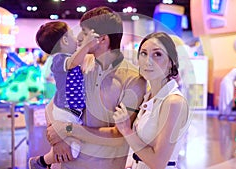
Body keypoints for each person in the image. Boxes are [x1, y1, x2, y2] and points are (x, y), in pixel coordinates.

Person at [46, 6, 147, 169]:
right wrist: (56, 137)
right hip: (68, 164)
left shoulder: (133, 79)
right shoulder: (83, 64)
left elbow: (119, 135)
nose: (78, 37)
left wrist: (67, 129)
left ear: (102, 39)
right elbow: (55, 103)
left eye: (84, 33)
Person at [112, 32, 190, 169]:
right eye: (143, 53)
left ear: (171, 62)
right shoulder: (148, 96)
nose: (148, 61)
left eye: (157, 54)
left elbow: (158, 162)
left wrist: (126, 130)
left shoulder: (173, 102)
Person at [28, 21, 99, 169]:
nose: (77, 39)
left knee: (74, 143)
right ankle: (41, 161)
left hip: (71, 114)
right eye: (72, 35)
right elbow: (73, 63)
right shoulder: (59, 59)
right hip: (66, 114)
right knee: (72, 149)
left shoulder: (69, 59)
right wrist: (86, 45)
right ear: (65, 40)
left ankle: (45, 162)